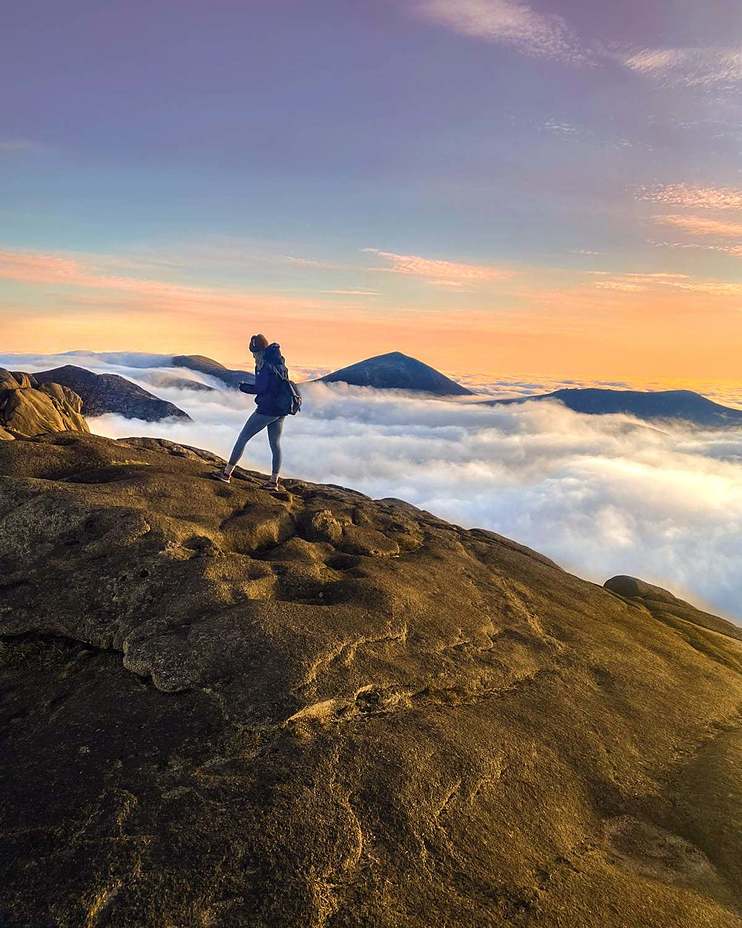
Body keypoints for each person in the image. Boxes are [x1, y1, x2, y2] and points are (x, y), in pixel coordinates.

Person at [213, 334, 291, 488]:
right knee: (275, 444)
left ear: (257, 351)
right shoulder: (280, 362)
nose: (253, 356)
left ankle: (226, 474)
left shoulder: (263, 365)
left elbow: (260, 388)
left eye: (253, 352)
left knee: (242, 438)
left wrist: (243, 387)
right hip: (281, 410)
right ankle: (273, 482)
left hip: (266, 410)